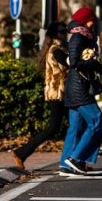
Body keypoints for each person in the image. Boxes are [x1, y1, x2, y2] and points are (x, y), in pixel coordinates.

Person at [61, 7, 102, 175]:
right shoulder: (79, 36)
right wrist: (93, 64)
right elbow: (74, 62)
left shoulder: (84, 36)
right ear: (86, 20)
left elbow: (93, 64)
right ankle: (76, 159)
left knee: (76, 127)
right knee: (96, 121)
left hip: (75, 87)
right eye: (92, 19)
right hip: (80, 88)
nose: (94, 22)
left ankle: (66, 165)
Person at [11, 22, 69, 169]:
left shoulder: (56, 48)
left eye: (66, 31)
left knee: (73, 126)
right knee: (53, 128)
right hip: (58, 93)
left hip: (59, 93)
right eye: (62, 31)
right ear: (55, 34)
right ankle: (21, 153)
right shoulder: (56, 50)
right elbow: (69, 64)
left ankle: (75, 160)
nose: (65, 34)